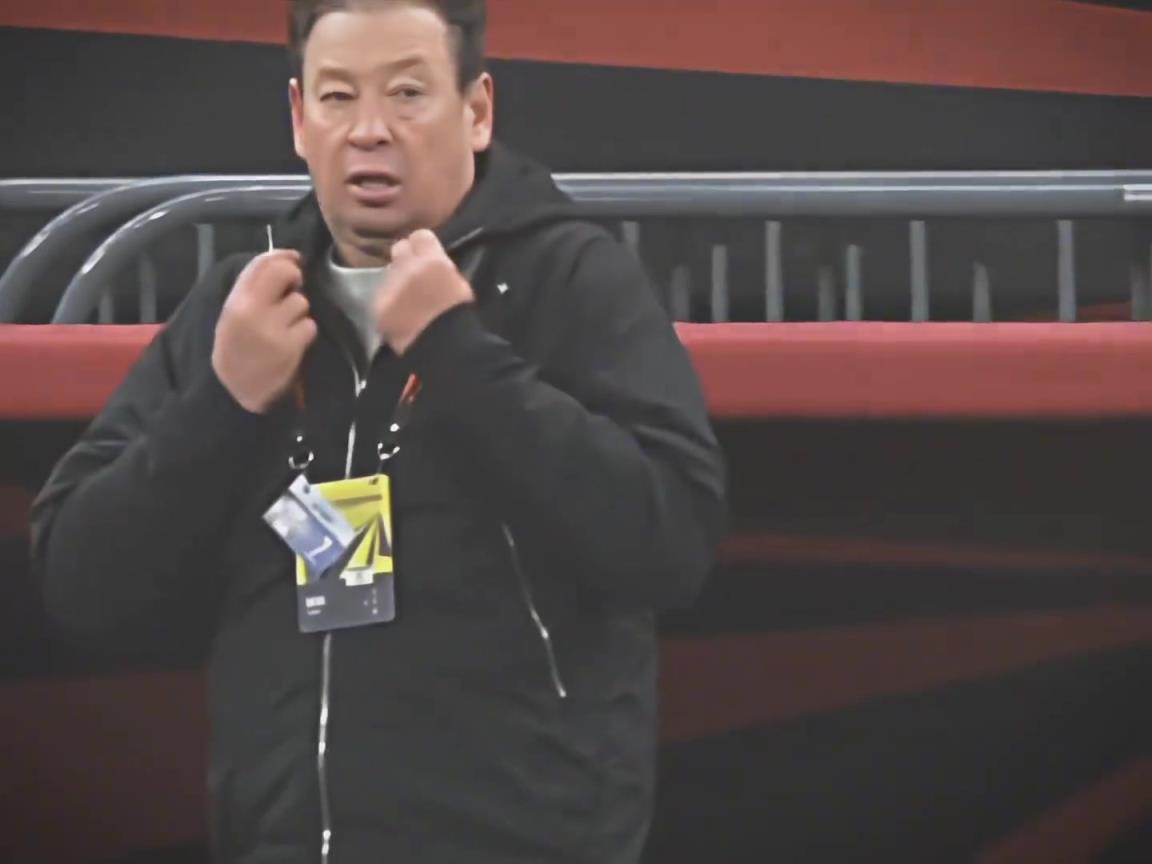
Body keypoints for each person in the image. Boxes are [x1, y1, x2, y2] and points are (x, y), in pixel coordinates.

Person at [31, 1, 726, 861]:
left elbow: (670, 539)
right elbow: (80, 583)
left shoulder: (571, 280)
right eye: (337, 97)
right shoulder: (242, 307)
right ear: (299, 118)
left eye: (407, 94)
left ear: (476, 111)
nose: (369, 130)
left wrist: (460, 355)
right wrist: (223, 402)